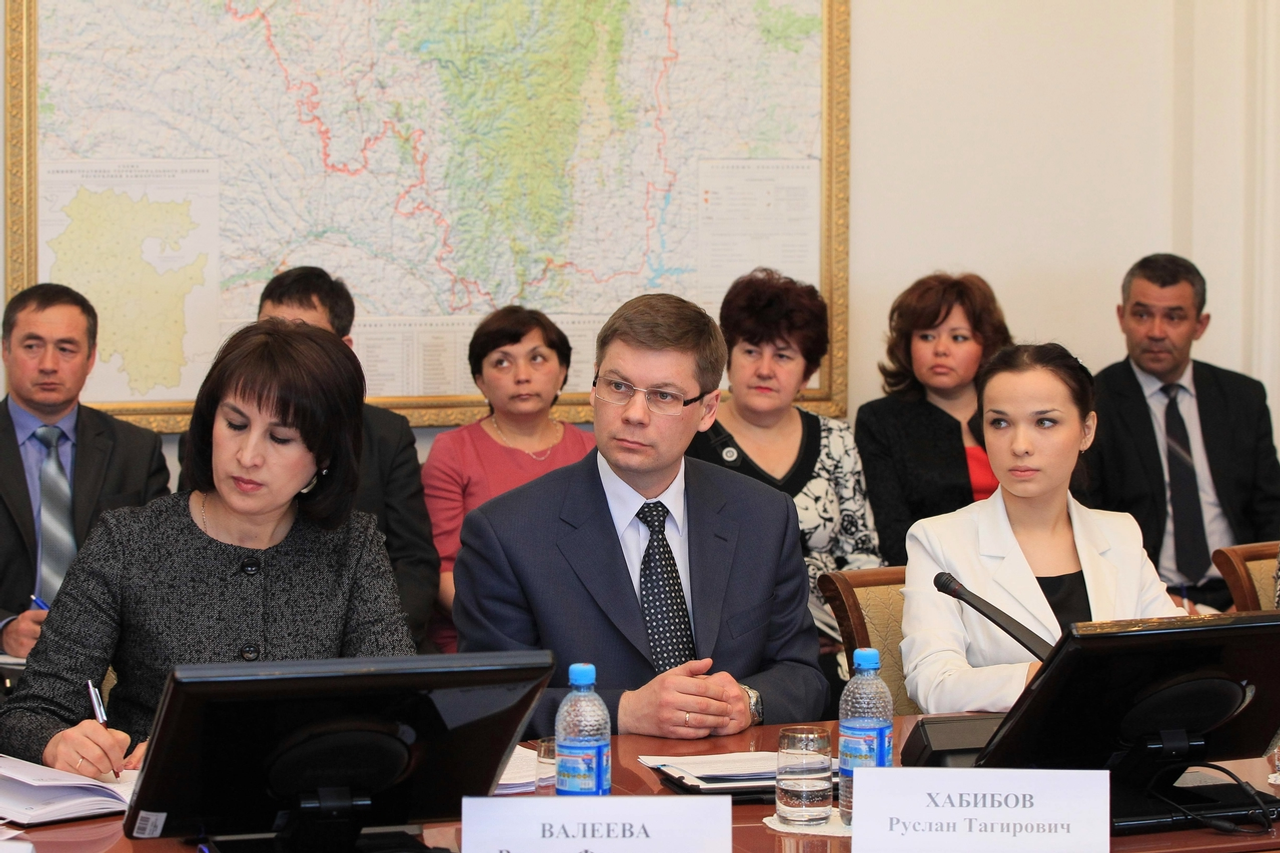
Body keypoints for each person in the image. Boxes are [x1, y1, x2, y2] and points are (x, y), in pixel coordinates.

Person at [0, 320, 415, 776]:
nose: (248, 456)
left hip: (302, 797)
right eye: (235, 424)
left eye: (280, 438)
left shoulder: (353, 546)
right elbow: (29, 713)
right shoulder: (128, 540)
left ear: (326, 454)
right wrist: (58, 743)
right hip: (152, 803)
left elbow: (397, 707)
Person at [454, 293, 826, 739]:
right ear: (593, 387)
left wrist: (747, 702)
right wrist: (622, 711)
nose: (633, 414)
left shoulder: (763, 515)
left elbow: (803, 675)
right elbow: (485, 703)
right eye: (618, 387)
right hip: (596, 776)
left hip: (732, 772)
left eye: (664, 396)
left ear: (707, 410)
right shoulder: (507, 533)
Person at [900, 344, 1184, 715]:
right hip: (1008, 748)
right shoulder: (939, 540)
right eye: (1000, 423)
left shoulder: (1121, 534)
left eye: (1044, 422)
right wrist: (1048, 678)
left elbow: (1174, 656)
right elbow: (932, 683)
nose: (1020, 446)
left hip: (1119, 745)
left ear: (1086, 431)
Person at [179, 267, 441, 652]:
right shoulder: (137, 537)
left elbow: (414, 564)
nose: (248, 456)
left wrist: (363, 646)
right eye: (269, 331)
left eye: (282, 438)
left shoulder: (383, 448)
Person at [684, 268, 879, 713]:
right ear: (727, 359)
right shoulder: (691, 437)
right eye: (751, 351)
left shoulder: (835, 440)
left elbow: (863, 556)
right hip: (717, 657)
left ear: (807, 372)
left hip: (830, 651)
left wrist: (849, 632)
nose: (765, 369)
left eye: (784, 355)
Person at [1082, 254, 1280, 613]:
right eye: (1142, 315)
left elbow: (1271, 510)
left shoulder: (1242, 398)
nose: (1156, 332)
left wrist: (1260, 595)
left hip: (1240, 593)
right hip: (1147, 598)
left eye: (1174, 317)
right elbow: (1085, 522)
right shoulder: (1094, 403)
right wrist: (1151, 598)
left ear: (1200, 324)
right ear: (1122, 317)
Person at [0, 284, 169, 658]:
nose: (48, 364)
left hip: (108, 664)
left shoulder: (136, 450)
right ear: (5, 350)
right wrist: (3, 629)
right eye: (32, 346)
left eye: (66, 348)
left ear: (90, 358)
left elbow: (160, 572)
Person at [421, 306, 593, 653]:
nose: (522, 375)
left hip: (583, 636)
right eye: (502, 362)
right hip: (484, 637)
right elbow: (443, 571)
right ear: (480, 381)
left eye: (537, 358)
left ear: (562, 372)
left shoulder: (592, 450)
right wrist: (520, 631)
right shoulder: (453, 450)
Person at [855, 273, 1013, 566]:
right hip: (931, 575)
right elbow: (892, 533)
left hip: (1025, 568)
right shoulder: (880, 421)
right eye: (926, 336)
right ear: (907, 345)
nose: (940, 349)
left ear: (987, 346)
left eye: (958, 337)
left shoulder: (1016, 413)